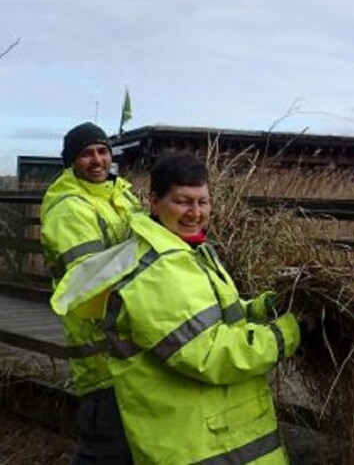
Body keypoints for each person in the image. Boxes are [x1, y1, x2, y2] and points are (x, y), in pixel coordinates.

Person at [51, 153, 302, 464]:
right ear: (154, 203)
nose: (195, 213)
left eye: (203, 202)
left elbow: (223, 313)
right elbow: (210, 355)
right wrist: (290, 331)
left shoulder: (191, 250)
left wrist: (268, 307)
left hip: (221, 434)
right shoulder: (153, 272)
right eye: (183, 202)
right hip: (194, 444)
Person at [41, 122, 141, 463]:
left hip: (130, 343)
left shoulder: (123, 195)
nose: (97, 160)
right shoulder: (68, 209)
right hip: (101, 349)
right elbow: (92, 280)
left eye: (103, 151)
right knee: (104, 447)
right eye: (87, 154)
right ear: (71, 161)